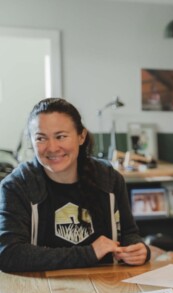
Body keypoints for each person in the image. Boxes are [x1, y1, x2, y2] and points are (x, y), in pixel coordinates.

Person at [0, 98, 149, 272]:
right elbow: (9, 254)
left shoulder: (110, 179)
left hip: (104, 285)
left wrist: (138, 249)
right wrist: (89, 253)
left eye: (61, 136)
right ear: (31, 141)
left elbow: (129, 233)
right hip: (43, 290)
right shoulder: (16, 186)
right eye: (41, 138)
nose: (52, 147)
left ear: (81, 136)